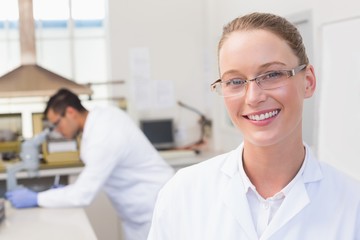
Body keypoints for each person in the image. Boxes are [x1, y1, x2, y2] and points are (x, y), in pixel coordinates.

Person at [147, 12, 360, 239]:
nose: (253, 97)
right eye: (235, 81)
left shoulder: (353, 205)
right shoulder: (183, 193)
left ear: (308, 81)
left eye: (272, 74)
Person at [6, 88, 174, 240]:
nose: (56, 130)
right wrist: (59, 195)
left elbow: (82, 195)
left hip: (155, 208)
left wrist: (37, 198)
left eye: (56, 123)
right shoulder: (101, 118)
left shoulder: (103, 133)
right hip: (137, 213)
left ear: (70, 112)